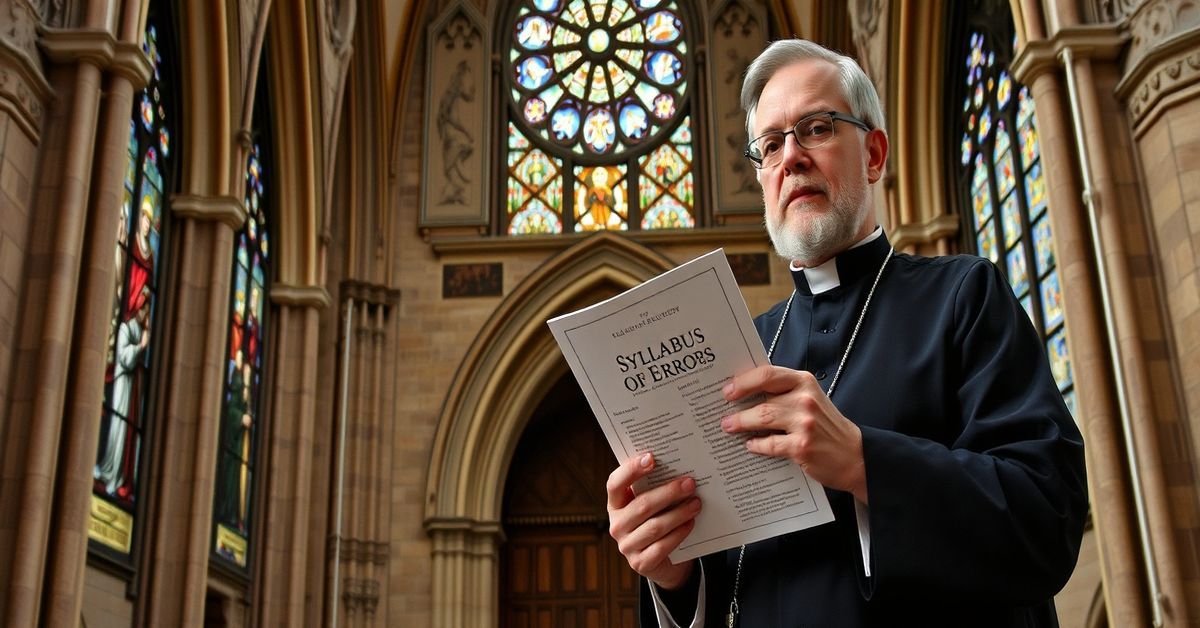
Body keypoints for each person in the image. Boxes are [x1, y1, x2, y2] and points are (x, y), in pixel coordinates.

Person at [605, 39, 1087, 626]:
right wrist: (673, 574)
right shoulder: (743, 347)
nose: (792, 158)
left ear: (875, 154)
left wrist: (864, 462)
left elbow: (1048, 519)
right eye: (771, 145)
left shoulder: (964, 297)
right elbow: (730, 582)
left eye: (817, 127)